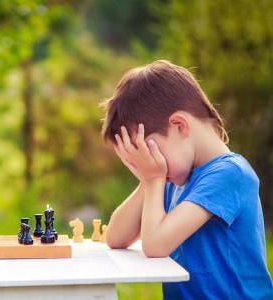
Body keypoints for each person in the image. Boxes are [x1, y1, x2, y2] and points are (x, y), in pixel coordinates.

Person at [101, 60, 273, 299]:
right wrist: (146, 180)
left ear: (179, 125)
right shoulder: (173, 177)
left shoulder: (230, 174)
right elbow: (116, 238)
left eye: (151, 152)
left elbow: (156, 246)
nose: (149, 163)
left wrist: (153, 180)